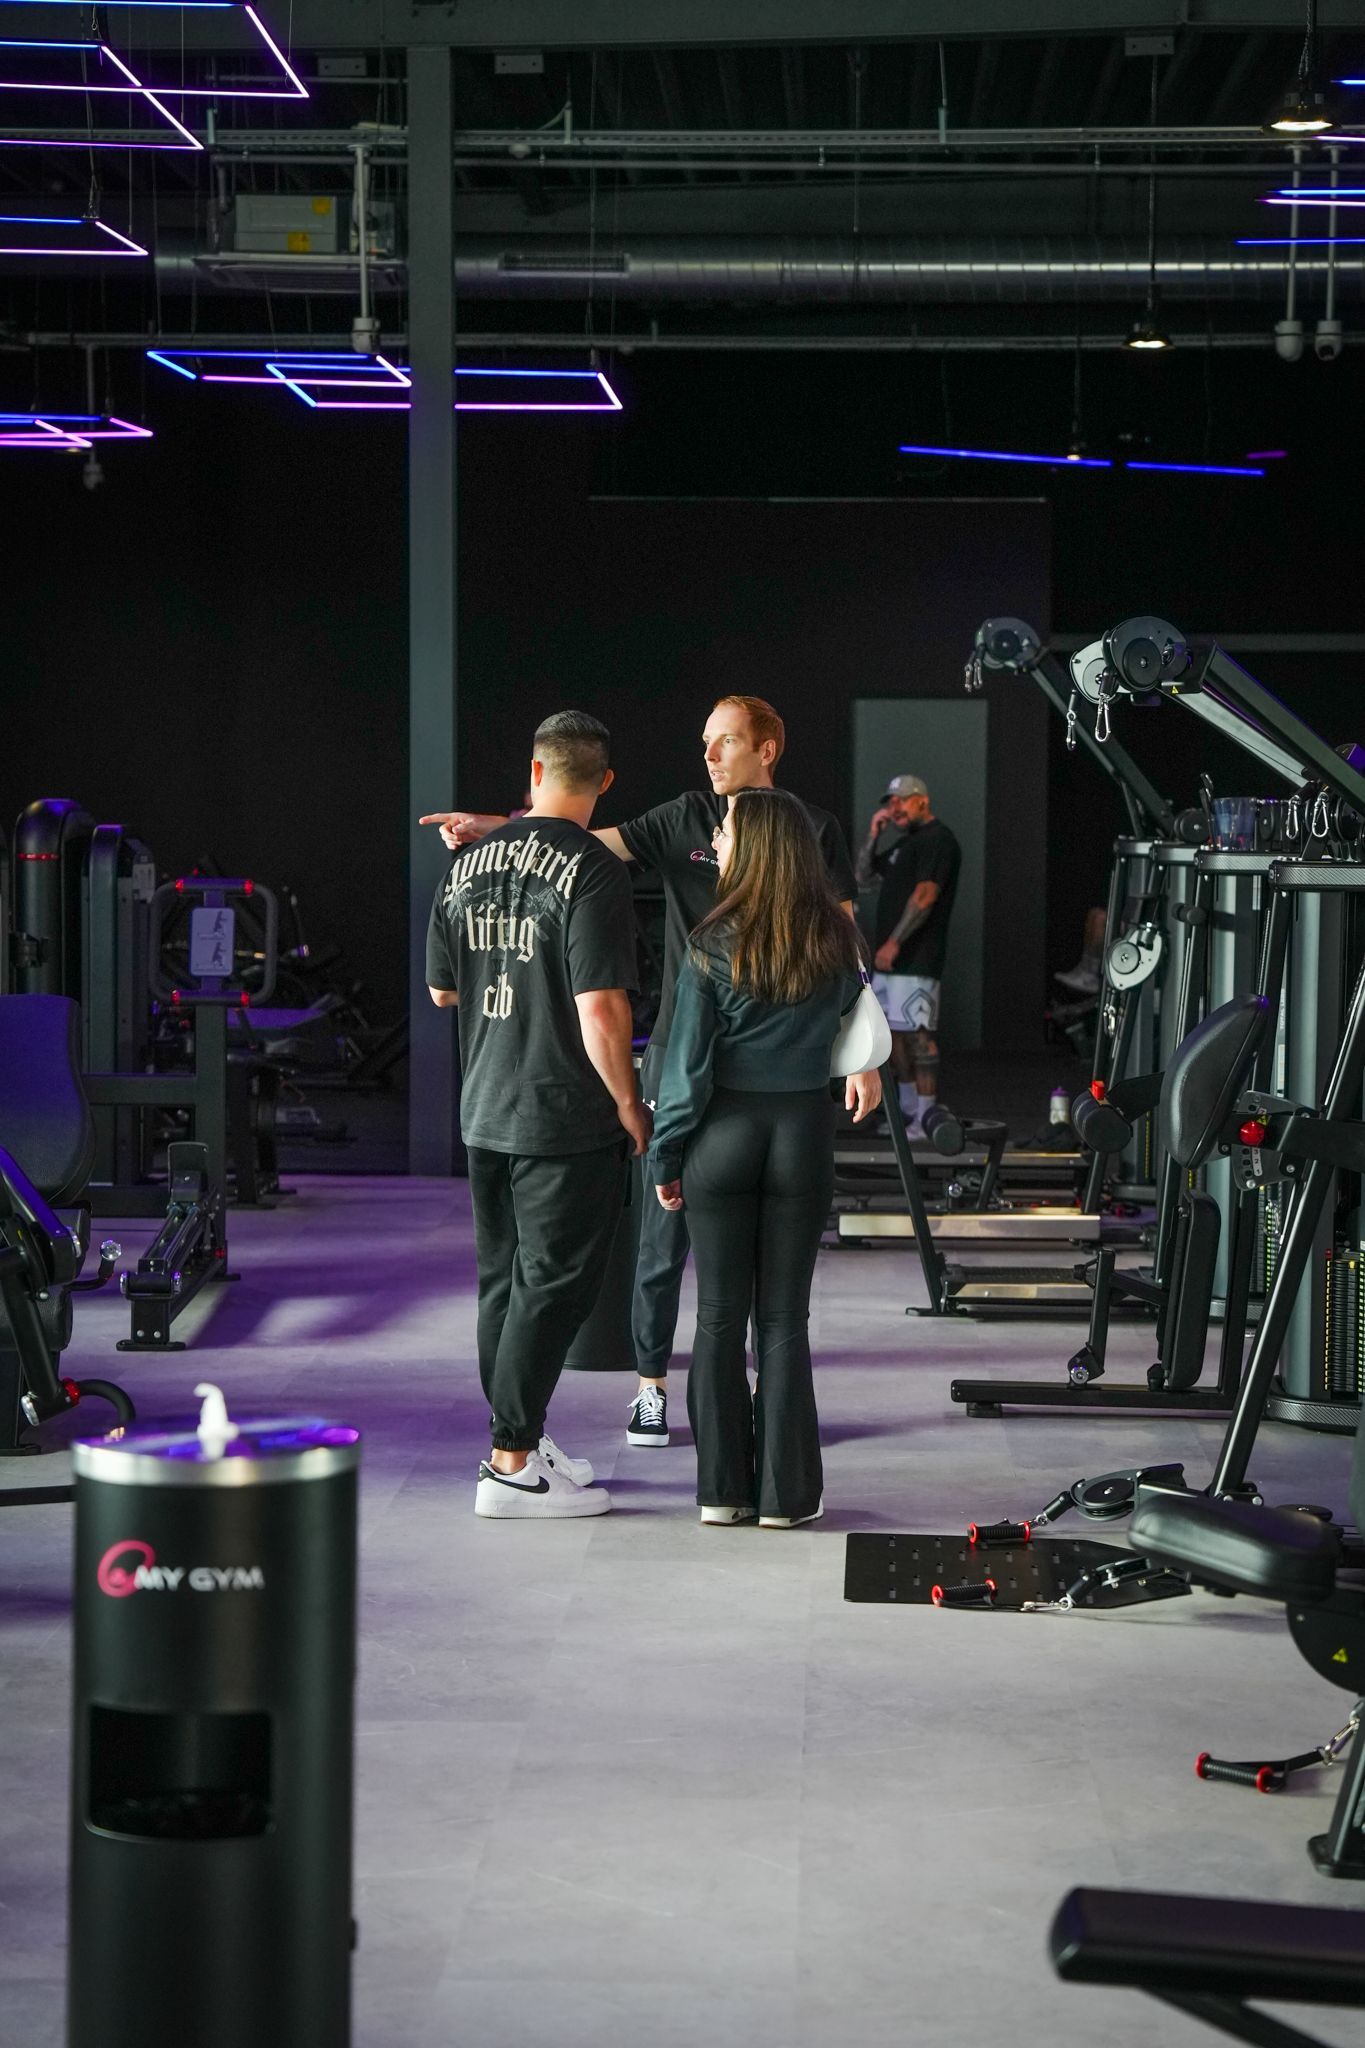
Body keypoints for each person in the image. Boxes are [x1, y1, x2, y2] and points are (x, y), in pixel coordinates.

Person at [421, 694, 880, 1454]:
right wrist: (495, 829)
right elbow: (577, 841)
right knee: (660, 1234)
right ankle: (649, 1389)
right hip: (685, 1042)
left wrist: (863, 1045)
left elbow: (840, 932)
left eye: (725, 741)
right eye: (705, 741)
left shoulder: (809, 826)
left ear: (767, 748)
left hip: (774, 1056)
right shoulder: (681, 817)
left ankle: (758, 1409)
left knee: (765, 1264)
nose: (709, 754)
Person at [425, 710, 651, 1521]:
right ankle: (510, 1463)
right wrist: (629, 1103)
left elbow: (443, 990)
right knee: (553, 1288)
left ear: (532, 772)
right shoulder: (592, 869)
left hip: (485, 1103)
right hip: (560, 1112)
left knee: (505, 1284)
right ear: (605, 781)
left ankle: (519, 1436)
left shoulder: (468, 861)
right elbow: (601, 1009)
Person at [648, 788, 865, 1527]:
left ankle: (720, 1494)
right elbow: (850, 1033)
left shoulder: (710, 940)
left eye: (730, 830)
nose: (720, 839)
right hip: (802, 1133)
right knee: (782, 1321)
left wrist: (665, 1159)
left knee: (715, 1318)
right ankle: (784, 1497)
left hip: (724, 1137)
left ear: (758, 847)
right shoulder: (837, 942)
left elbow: (683, 1071)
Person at [856, 773, 962, 1138]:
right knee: (895, 1039)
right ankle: (907, 1114)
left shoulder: (938, 840)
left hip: (916, 960)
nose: (893, 807)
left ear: (922, 800)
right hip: (891, 965)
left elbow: (925, 897)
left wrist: (895, 943)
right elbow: (863, 879)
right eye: (890, 802)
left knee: (917, 1035)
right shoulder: (906, 845)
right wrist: (875, 834)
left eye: (901, 800)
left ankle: (927, 1117)